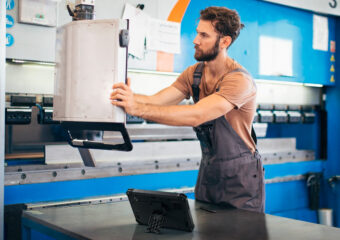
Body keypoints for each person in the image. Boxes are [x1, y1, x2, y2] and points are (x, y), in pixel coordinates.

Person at [111, 6, 265, 212]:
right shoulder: (194, 73)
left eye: (204, 35)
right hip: (209, 170)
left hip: (242, 178)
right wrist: (126, 98)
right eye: (197, 33)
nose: (195, 40)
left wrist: (136, 108)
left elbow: (197, 115)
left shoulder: (239, 80)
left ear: (225, 42)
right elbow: (157, 100)